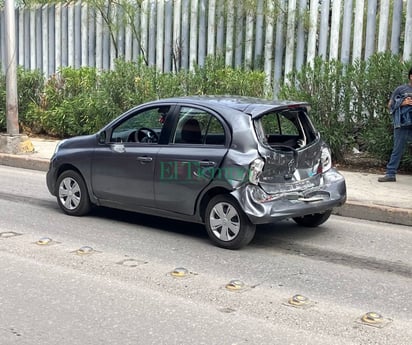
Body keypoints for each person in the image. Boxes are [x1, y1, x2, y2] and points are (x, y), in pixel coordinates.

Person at [378, 67, 412, 182]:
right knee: (397, 149)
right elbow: (390, 106)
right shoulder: (401, 89)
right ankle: (390, 174)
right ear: (411, 76)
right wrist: (402, 103)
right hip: (402, 124)